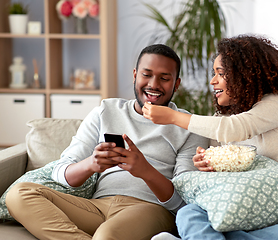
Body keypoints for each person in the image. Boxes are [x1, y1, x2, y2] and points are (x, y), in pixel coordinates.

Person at [5, 44, 209, 240]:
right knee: (19, 194)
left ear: (176, 84)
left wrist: (145, 170)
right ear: (135, 75)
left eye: (164, 78)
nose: (153, 84)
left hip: (150, 209)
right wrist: (91, 164)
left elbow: (183, 202)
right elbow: (61, 172)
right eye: (146, 75)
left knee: (106, 236)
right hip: (97, 207)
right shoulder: (106, 111)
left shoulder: (189, 126)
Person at [143, 35, 278, 240]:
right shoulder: (222, 116)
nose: (213, 82)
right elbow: (220, 161)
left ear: (244, 75)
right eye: (214, 74)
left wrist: (174, 116)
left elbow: (235, 128)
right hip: (238, 207)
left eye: (220, 74)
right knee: (189, 213)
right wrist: (206, 164)